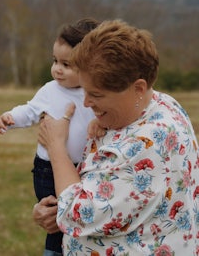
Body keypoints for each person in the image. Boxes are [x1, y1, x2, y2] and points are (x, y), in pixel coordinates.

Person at [33, 19, 199, 255]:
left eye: (96, 94)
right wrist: (53, 211)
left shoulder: (147, 143)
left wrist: (56, 147)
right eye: (83, 91)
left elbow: (76, 214)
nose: (87, 103)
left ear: (138, 88)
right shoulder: (162, 104)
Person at [0, 18, 102, 256]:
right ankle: (54, 250)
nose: (57, 68)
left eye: (67, 64)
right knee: (56, 215)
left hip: (82, 169)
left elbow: (102, 119)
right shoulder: (49, 90)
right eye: (55, 61)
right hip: (46, 169)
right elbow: (31, 110)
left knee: (73, 217)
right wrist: (10, 117)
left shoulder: (94, 94)